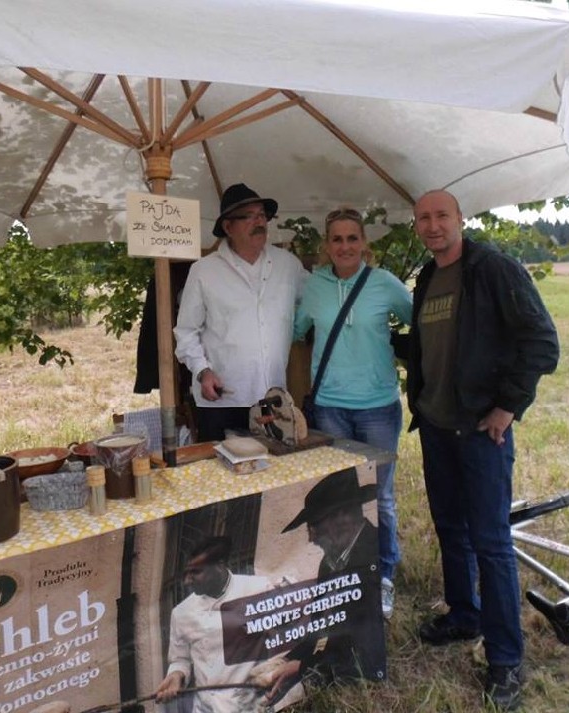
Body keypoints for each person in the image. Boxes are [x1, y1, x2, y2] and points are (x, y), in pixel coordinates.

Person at [405, 189, 560, 711]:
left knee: (491, 542)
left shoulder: (493, 268)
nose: (432, 225)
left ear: (460, 219)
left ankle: (505, 658)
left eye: (441, 215)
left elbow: (542, 342)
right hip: (436, 427)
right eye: (423, 218)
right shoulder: (427, 278)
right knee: (450, 528)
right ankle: (463, 615)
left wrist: (507, 406)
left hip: (479, 432)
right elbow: (433, 347)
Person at [292, 207, 412, 618]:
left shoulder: (384, 283)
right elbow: (296, 330)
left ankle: (384, 575)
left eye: (352, 238)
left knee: (381, 495)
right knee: (340, 498)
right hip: (329, 407)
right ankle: (347, 575)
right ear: (327, 246)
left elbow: (419, 321)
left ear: (364, 243)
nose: (345, 246)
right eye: (337, 239)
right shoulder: (315, 286)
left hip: (378, 407)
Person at [174, 183, 307, 442]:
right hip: (223, 398)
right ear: (228, 227)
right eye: (248, 216)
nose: (259, 222)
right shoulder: (204, 271)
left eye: (262, 215)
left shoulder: (288, 264)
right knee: (223, 465)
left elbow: (317, 300)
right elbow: (186, 331)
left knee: (273, 464)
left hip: (273, 398)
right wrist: (203, 371)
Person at [263, 467, 386, 699]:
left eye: (314, 525)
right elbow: (321, 628)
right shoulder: (329, 564)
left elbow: (362, 651)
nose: (311, 538)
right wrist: (287, 660)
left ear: (344, 516)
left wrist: (302, 668)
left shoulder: (373, 554)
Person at [155, 536, 275, 713]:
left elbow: (281, 641)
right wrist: (176, 674)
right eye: (186, 574)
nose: (187, 581)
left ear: (219, 566)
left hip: (253, 706)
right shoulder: (181, 613)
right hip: (206, 708)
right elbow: (180, 659)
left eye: (196, 572)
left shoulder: (258, 589)